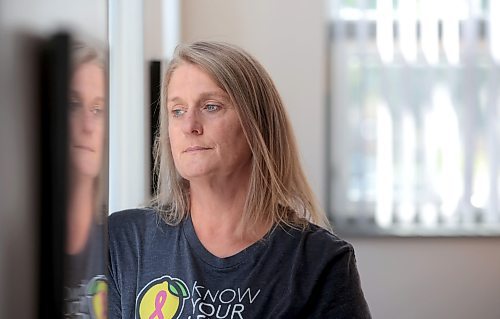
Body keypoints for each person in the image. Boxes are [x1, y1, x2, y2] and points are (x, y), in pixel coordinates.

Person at [108, 41, 371, 319]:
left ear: (257, 125)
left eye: (210, 106)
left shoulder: (321, 262)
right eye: (178, 111)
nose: (189, 126)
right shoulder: (124, 241)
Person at [64, 40, 108, 319]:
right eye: (73, 104)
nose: (88, 126)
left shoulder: (123, 239)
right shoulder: (15, 237)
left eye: (97, 110)